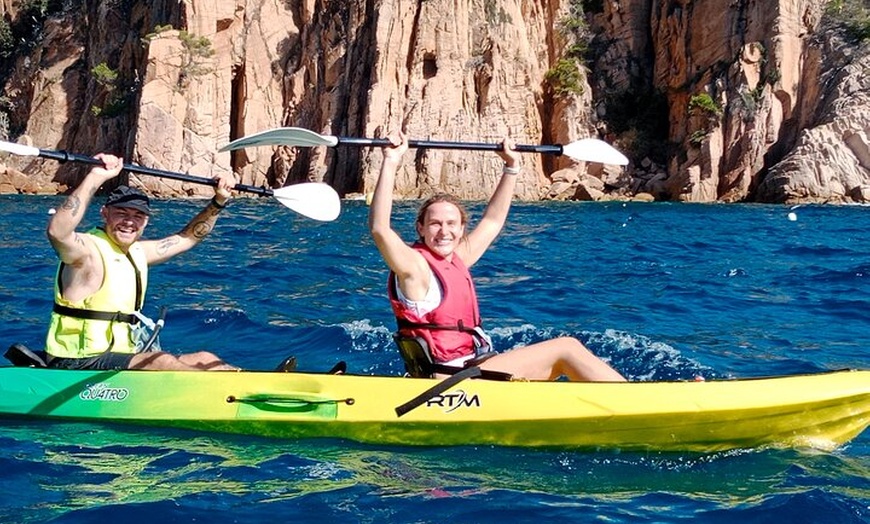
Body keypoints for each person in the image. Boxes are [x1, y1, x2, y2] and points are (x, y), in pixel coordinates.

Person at [369, 130, 626, 382]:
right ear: (420, 228)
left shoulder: (456, 259)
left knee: (556, 363)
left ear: (461, 230)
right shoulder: (415, 268)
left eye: (451, 224)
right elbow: (380, 228)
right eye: (435, 224)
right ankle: (632, 402)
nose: (444, 231)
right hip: (451, 379)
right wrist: (391, 160)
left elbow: (492, 221)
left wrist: (511, 167)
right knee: (566, 348)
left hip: (472, 368)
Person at [44, 153, 238, 371]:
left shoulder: (138, 252)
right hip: (76, 362)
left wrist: (219, 202)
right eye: (121, 213)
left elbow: (187, 238)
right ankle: (219, 395)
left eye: (138, 216)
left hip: (119, 358)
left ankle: (250, 389)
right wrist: (95, 177)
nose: (129, 222)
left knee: (207, 358)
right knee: (161, 361)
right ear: (105, 214)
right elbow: (58, 232)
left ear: (146, 221)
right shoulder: (85, 252)